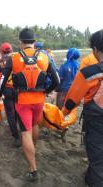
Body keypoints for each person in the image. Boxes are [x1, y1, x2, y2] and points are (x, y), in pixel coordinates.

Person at [0, 28, 59, 181]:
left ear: (20, 42)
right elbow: (56, 80)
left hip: (23, 101)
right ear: (34, 41)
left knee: (25, 132)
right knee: (34, 125)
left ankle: (33, 169)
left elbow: (2, 80)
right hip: (39, 100)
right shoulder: (44, 56)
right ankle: (32, 148)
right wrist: (46, 91)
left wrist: (0, 94)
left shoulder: (14, 58)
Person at [62, 30, 103, 187]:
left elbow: (72, 99)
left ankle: (95, 180)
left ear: (95, 49)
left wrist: (64, 113)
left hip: (97, 119)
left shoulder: (89, 72)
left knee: (97, 153)